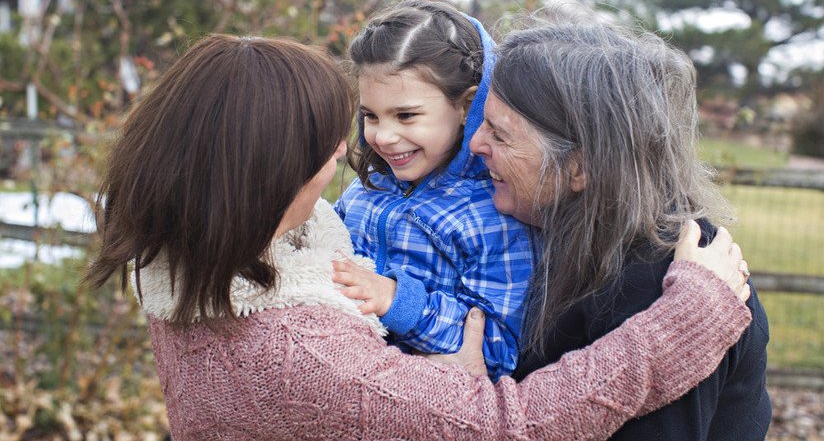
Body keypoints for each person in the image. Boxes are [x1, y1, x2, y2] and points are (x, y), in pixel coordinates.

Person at [84, 33, 754, 440]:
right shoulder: (295, 350)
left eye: (495, 130)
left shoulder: (201, 262)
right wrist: (685, 322)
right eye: (335, 141)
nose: (354, 153)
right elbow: (509, 428)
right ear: (274, 175)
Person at [469, 5, 771, 440]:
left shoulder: (661, 283)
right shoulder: (564, 236)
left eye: (500, 134)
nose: (476, 143)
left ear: (581, 168)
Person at [332, 0, 533, 380]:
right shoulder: (363, 194)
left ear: (467, 106)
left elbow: (499, 350)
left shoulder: (493, 216)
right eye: (370, 115)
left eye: (406, 115)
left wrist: (397, 300)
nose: (383, 136)